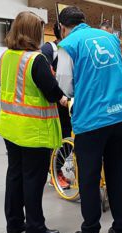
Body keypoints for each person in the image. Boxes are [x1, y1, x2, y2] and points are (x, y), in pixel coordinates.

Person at [57, 6, 122, 233]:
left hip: (92, 119)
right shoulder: (110, 38)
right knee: (118, 173)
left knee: (90, 178)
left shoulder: (68, 44)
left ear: (62, 27)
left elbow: (65, 85)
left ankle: (91, 232)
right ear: (84, 20)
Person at [0, 11, 68, 233]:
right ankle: (36, 227)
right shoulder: (36, 59)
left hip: (10, 125)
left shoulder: (6, 56)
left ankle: (14, 223)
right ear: (34, 32)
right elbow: (51, 93)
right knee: (34, 179)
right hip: (33, 128)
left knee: (15, 175)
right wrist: (65, 98)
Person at [41, 22, 72, 189]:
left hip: (72, 102)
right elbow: (44, 75)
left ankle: (56, 168)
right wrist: (58, 95)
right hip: (56, 103)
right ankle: (55, 172)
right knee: (57, 139)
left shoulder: (72, 47)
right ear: (63, 29)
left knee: (69, 139)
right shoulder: (49, 49)